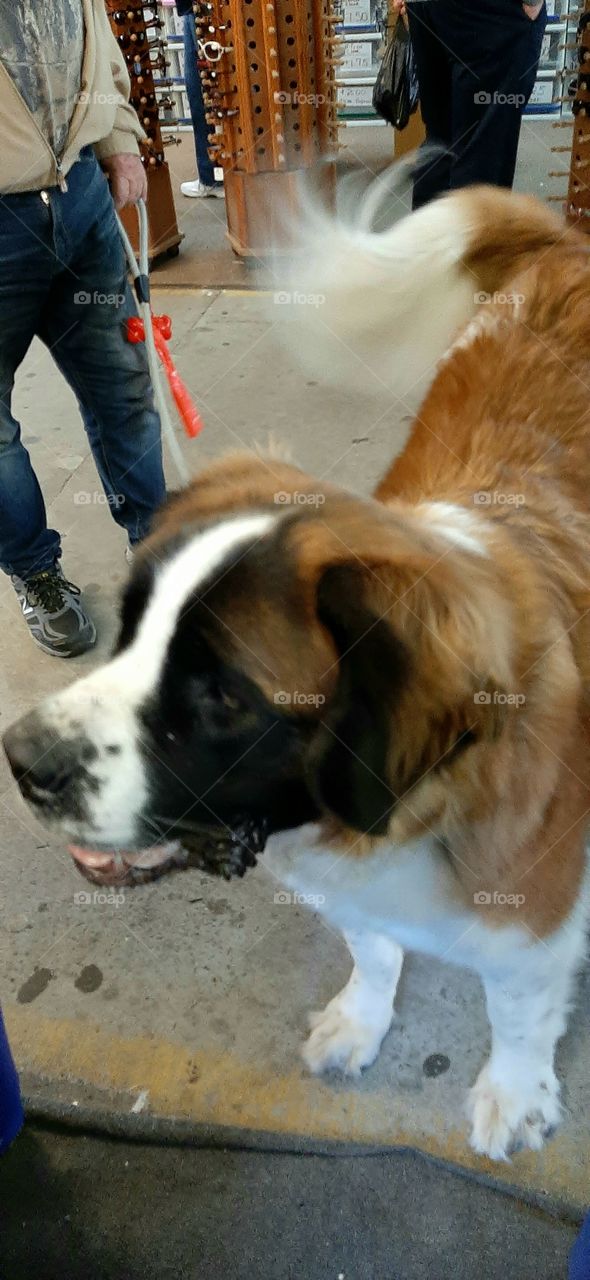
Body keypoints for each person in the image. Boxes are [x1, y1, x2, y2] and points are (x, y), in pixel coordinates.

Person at [0, 1, 166, 658]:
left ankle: (156, 551)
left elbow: (89, 28)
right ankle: (37, 575)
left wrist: (119, 136)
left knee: (122, 390)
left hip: (82, 197)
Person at [393, 0, 547, 208]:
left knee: (440, 141)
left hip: (427, 8)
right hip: (490, 14)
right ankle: (470, 238)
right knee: (482, 151)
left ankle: (432, 239)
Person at [176, 1, 224, 199]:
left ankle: (214, 178)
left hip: (202, 7)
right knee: (203, 86)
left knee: (206, 88)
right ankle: (215, 175)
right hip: (194, 8)